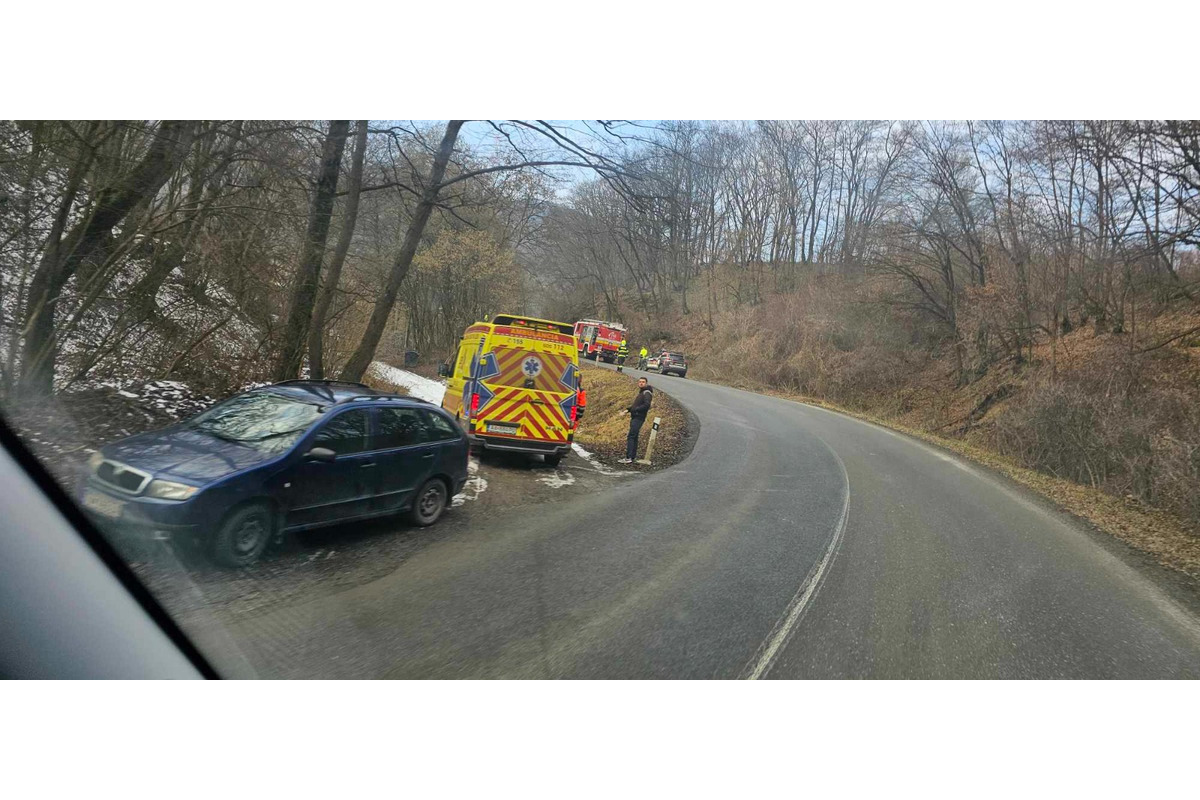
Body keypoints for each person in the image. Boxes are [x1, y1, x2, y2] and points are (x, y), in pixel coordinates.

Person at [618, 377, 653, 464]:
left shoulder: (646, 393)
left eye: (643, 382)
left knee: (631, 436)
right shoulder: (641, 393)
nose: (641, 383)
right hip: (635, 417)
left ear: (646, 383)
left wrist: (636, 410)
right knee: (635, 437)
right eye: (640, 382)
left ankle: (628, 457)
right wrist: (627, 410)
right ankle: (632, 456)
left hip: (639, 417)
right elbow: (634, 406)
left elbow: (646, 405)